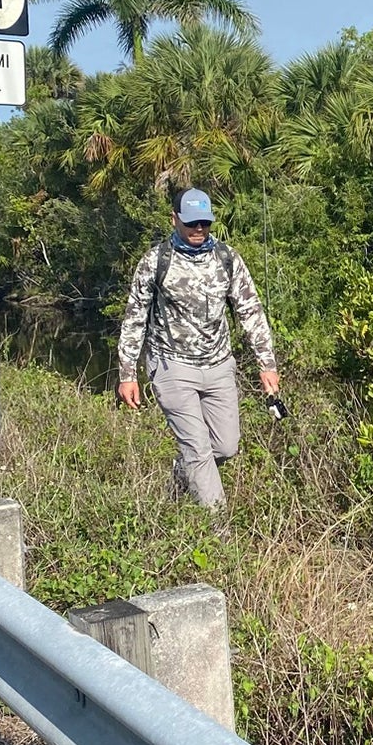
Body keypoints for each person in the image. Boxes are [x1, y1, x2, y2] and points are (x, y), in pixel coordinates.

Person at [116, 188, 280, 510]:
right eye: (191, 223)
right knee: (198, 449)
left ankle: (182, 472)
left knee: (226, 446)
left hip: (219, 365)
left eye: (204, 223)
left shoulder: (227, 259)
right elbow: (135, 318)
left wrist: (267, 364)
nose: (199, 230)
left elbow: (250, 312)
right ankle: (219, 534)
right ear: (174, 219)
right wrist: (127, 373)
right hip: (171, 366)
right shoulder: (155, 261)